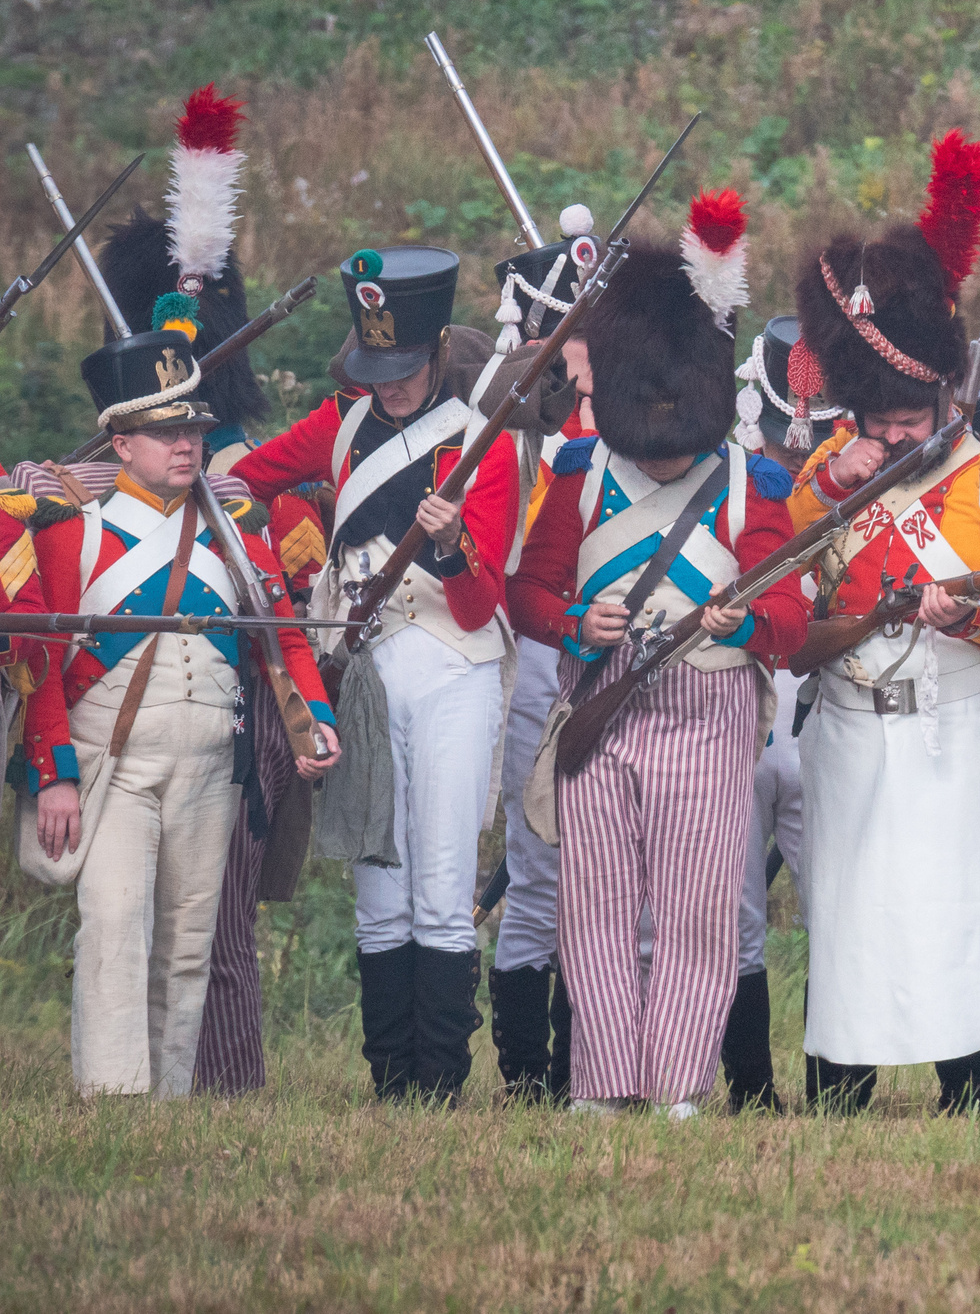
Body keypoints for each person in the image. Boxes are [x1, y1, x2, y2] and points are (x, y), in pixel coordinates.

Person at [507, 190, 808, 1117]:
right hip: (603, 704)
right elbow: (531, 593)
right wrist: (573, 626)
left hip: (711, 709)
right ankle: (601, 1084)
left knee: (696, 908)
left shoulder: (750, 487)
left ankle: (677, 1081)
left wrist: (744, 625)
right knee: (591, 906)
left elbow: (790, 619)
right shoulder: (577, 478)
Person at [786, 129, 980, 1115]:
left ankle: (967, 1091)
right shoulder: (828, 477)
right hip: (851, 717)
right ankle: (839, 1087)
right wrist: (825, 490)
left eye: (910, 420)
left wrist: (976, 613)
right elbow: (783, 577)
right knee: (847, 909)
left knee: (951, 912)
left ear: (948, 398)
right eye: (879, 420)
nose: (895, 437)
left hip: (952, 714)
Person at [231, 246, 522, 1104]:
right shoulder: (343, 425)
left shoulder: (484, 447)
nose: (388, 387)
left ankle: (438, 1079)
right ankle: (390, 1076)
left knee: (439, 880)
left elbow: (479, 606)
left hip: (452, 666)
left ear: (435, 351)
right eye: (375, 368)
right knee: (376, 879)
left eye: (401, 370)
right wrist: (292, 539)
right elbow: (242, 483)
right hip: (359, 665)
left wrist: (447, 544)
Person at [22, 322, 338, 1097]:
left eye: (192, 428)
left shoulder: (236, 531)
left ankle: (168, 1098)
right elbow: (39, 668)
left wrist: (313, 718)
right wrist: (54, 775)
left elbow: (284, 637)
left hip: (209, 768)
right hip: (115, 767)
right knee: (116, 928)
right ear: (120, 444)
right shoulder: (74, 532)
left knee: (190, 943)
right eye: (166, 432)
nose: (187, 445)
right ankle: (115, 1096)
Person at [94, 86, 314, 1097]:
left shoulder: (255, 474)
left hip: (235, 707)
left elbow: (296, 583)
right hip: (130, 719)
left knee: (211, 919)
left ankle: (216, 1080)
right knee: (134, 917)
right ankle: (132, 1085)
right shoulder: (97, 481)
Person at [485, 214, 604, 1105]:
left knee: (611, 879)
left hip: (624, 654)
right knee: (533, 875)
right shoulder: (502, 418)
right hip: (531, 654)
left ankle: (589, 1060)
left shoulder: (633, 410)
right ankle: (527, 1068)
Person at [720, 311, 836, 1112]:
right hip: (740, 698)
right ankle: (751, 1088)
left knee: (834, 904)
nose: (799, 444)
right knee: (734, 917)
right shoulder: (725, 478)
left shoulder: (862, 472)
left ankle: (838, 1081)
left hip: (825, 709)